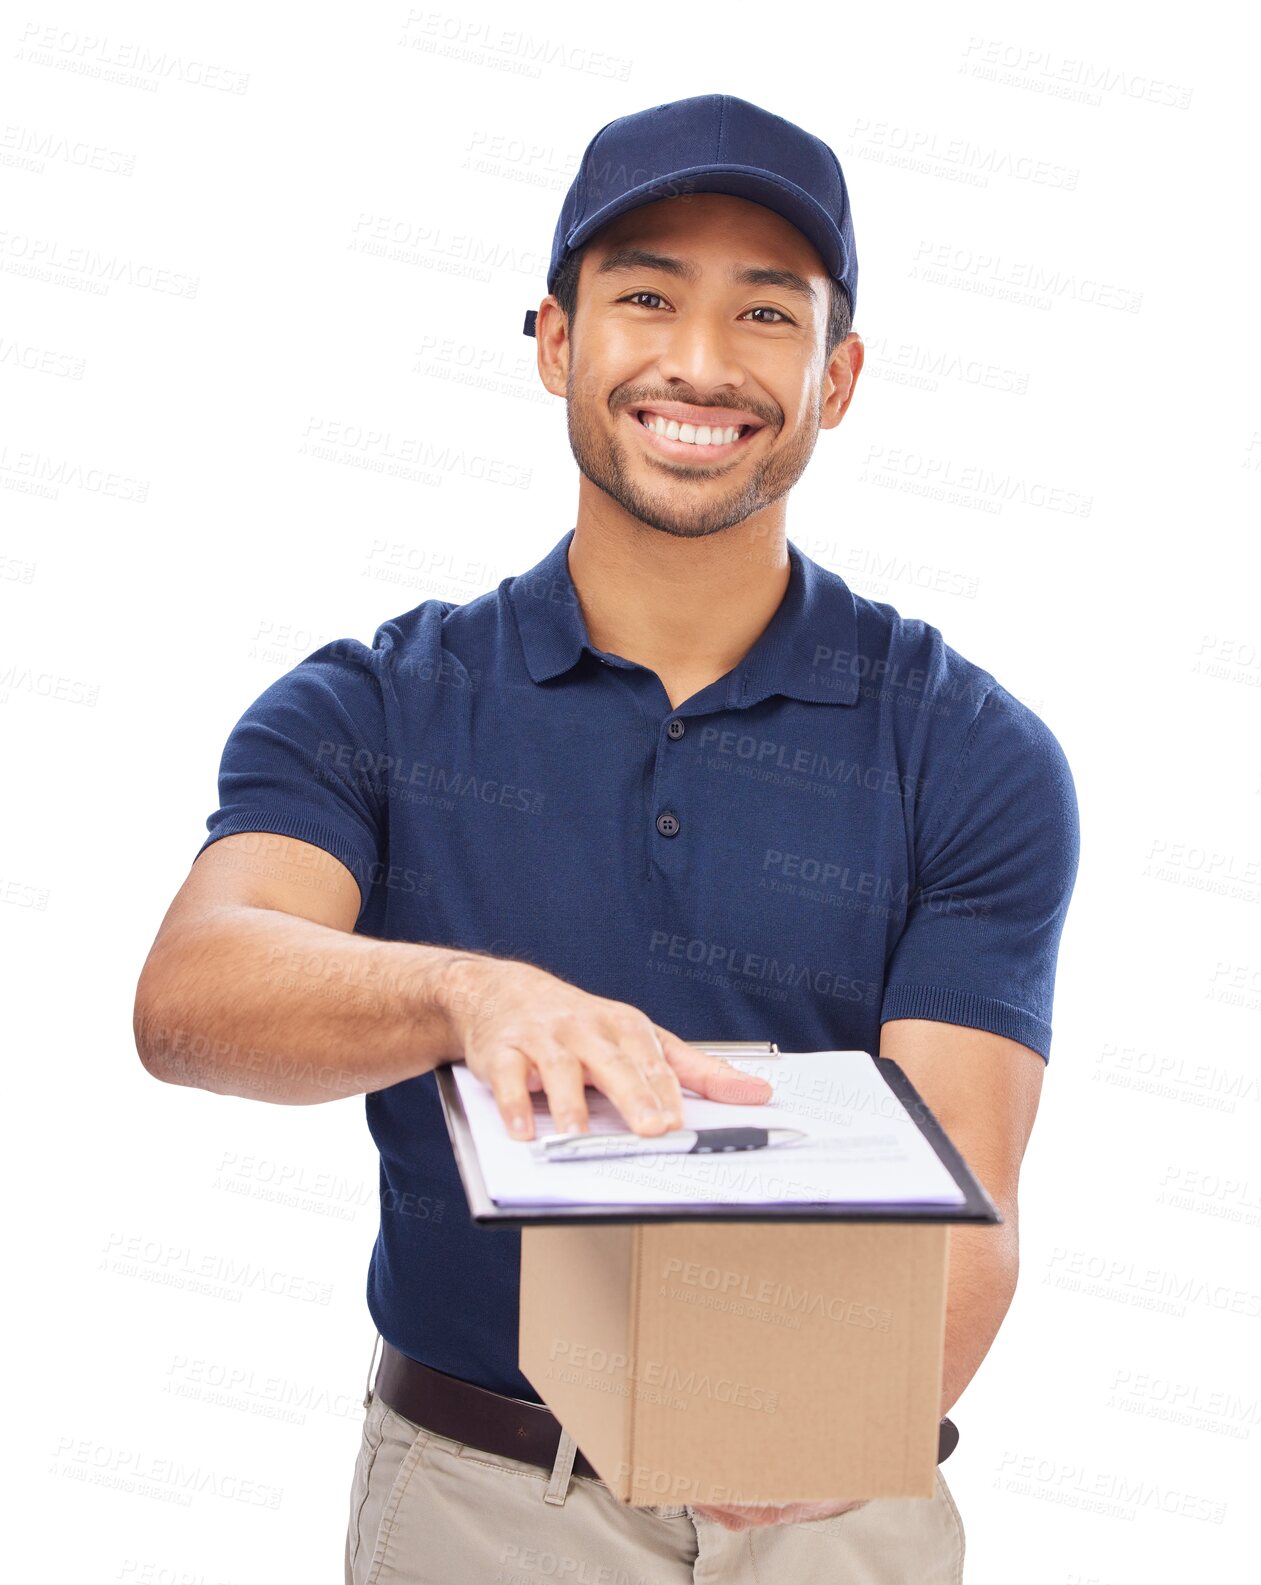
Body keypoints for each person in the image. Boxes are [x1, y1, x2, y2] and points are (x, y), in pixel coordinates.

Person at [134, 92, 1079, 1583]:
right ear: (556, 339)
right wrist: (466, 993)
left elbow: (968, 1183)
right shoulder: (375, 703)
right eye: (645, 296)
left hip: (840, 1514)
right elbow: (191, 997)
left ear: (834, 378)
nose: (699, 363)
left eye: (765, 314)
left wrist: (844, 1426)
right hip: (482, 1505)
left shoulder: (965, 747)